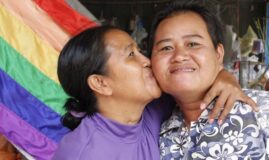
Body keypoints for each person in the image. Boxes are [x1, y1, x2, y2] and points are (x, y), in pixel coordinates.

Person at [149, 1, 269, 159]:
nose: (179, 56)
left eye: (193, 44)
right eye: (166, 48)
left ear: (218, 54)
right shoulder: (157, 134)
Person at [52, 25, 256, 160]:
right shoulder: (82, 154)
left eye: (140, 51)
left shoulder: (152, 108)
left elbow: (194, 80)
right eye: (131, 54)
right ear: (100, 83)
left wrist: (224, 76)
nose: (147, 61)